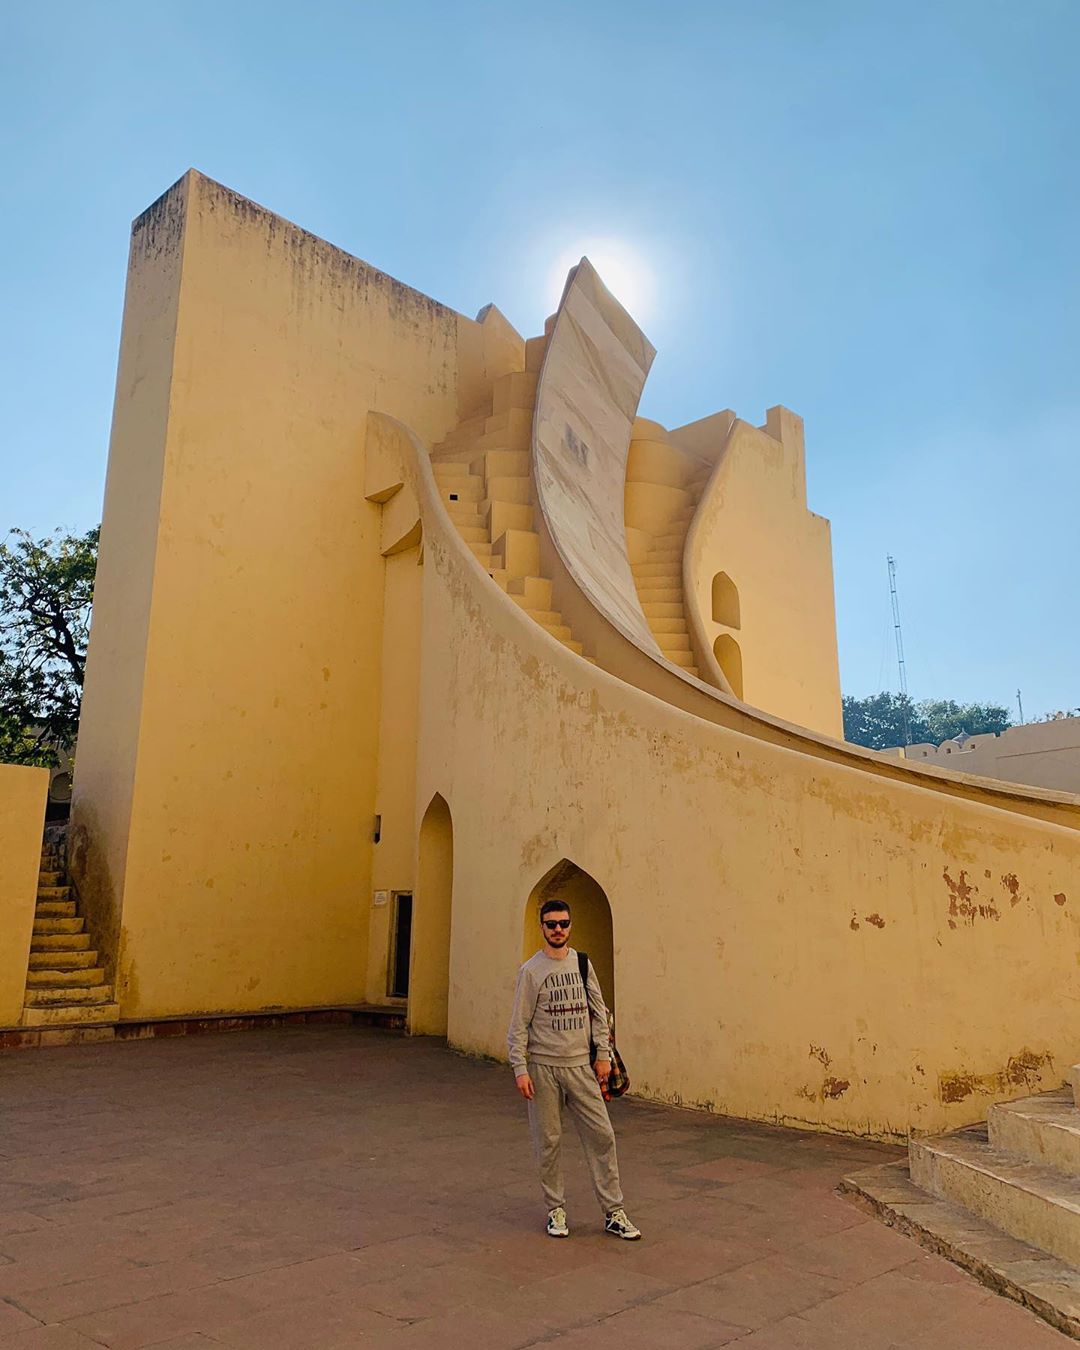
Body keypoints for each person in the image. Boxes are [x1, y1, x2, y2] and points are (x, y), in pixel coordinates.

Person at [507, 897, 641, 1240]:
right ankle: (555, 1208)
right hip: (544, 1068)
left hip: (581, 1066)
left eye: (563, 923)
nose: (557, 930)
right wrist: (520, 1068)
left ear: (570, 925)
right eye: (551, 924)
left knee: (602, 1136)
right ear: (542, 927)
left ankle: (614, 1211)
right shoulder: (531, 971)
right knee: (549, 1141)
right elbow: (519, 1026)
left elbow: (599, 1011)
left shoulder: (582, 964)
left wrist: (603, 1057)